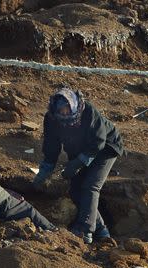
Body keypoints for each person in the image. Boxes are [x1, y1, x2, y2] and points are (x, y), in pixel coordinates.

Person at [32, 87, 124, 244]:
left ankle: (84, 230)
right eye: (60, 110)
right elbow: (51, 145)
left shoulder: (88, 112)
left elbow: (98, 142)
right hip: (78, 148)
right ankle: (102, 232)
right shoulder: (52, 119)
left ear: (74, 106)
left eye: (67, 110)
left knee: (90, 186)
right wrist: (45, 170)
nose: (64, 114)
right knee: (75, 189)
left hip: (105, 147)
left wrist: (79, 162)